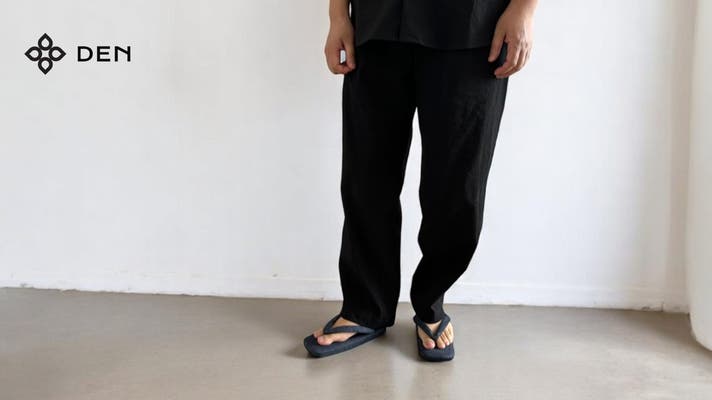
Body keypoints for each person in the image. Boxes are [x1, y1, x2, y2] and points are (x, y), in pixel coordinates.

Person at [304, 0, 538, 361]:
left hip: (471, 30)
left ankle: (431, 305)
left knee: (456, 187)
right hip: (378, 25)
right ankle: (365, 309)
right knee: (366, 179)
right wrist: (338, 16)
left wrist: (524, 10)